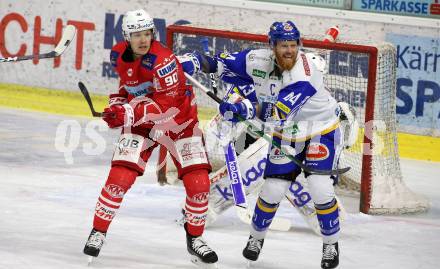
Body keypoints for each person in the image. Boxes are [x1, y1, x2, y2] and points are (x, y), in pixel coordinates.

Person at [188, 21, 344, 268]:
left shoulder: (304, 73)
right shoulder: (256, 60)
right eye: (284, 45)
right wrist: (196, 62)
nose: (289, 50)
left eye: (293, 45)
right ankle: (255, 239)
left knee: (320, 187)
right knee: (272, 189)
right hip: (286, 134)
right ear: (272, 46)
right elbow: (219, 64)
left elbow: (279, 110)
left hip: (320, 131)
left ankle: (330, 246)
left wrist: (243, 108)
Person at [83, 9, 218, 267]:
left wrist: (128, 113)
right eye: (136, 35)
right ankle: (98, 232)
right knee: (119, 177)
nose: (143, 39)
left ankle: (196, 240)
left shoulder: (164, 60)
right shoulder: (118, 55)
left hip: (179, 121)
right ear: (126, 36)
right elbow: (129, 86)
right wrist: (118, 106)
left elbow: (169, 105)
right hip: (142, 122)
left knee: (199, 183)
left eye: (147, 33)